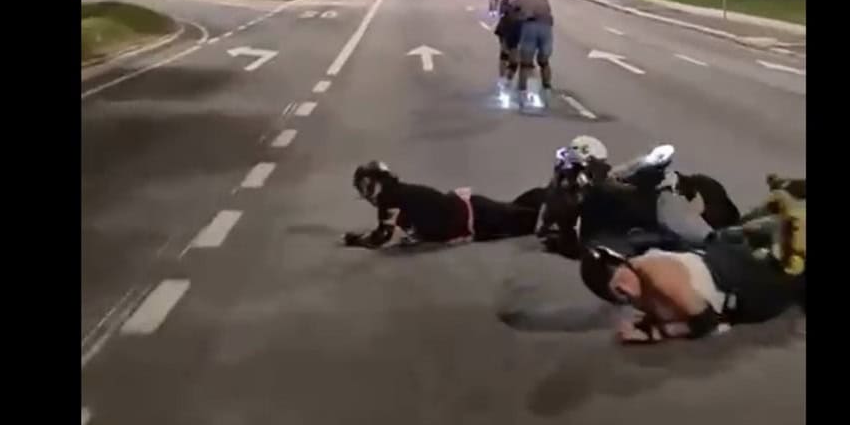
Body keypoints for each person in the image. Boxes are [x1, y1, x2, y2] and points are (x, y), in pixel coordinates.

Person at [580, 238, 802, 345]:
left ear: (625, 263)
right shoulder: (637, 275)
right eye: (619, 293)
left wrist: (653, 333)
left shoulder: (658, 275)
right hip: (723, 259)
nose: (626, 290)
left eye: (623, 280)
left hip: (745, 285)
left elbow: (706, 323)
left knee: (793, 281)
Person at [342, 161, 543, 249]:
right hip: (468, 210)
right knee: (518, 213)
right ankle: (551, 201)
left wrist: (356, 240)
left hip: (470, 216)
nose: (365, 194)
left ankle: (563, 211)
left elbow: (382, 238)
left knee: (529, 222)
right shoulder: (395, 193)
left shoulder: (389, 199)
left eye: (365, 187)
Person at [513, 0, 555, 108]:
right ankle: (547, 90)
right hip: (546, 28)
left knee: (525, 63)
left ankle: (522, 94)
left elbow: (514, 12)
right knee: (544, 62)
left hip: (530, 27)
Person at [494, 0, 526, 91]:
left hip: (507, 29)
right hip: (511, 29)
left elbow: (501, 12)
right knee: (512, 58)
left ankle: (503, 79)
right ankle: (505, 80)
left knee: (506, 55)